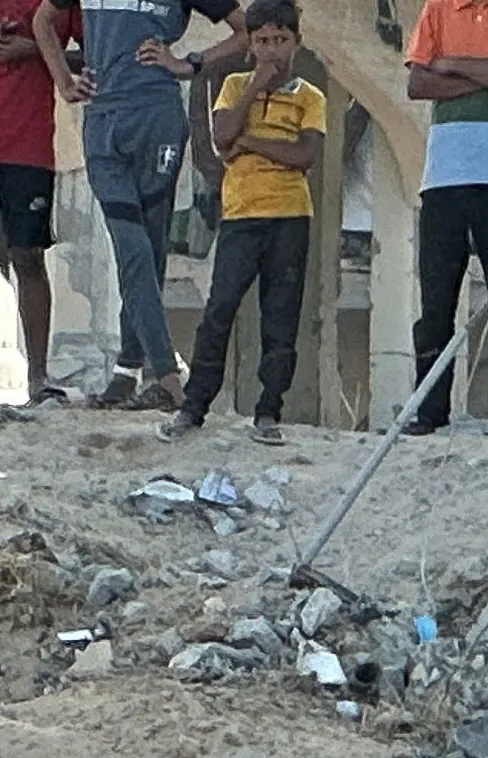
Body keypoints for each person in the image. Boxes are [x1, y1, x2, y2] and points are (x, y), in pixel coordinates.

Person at [74, 0, 239, 407]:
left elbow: (246, 29)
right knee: (132, 249)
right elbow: (45, 18)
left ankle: (129, 369)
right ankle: (167, 373)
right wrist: (65, 78)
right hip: (102, 119)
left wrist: (189, 63)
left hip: (157, 117)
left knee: (149, 248)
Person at [162, 0, 313, 440]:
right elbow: (221, 136)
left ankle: (269, 412)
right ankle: (194, 407)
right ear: (250, 45)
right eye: (262, 40)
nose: (271, 50)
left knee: (280, 316)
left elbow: (303, 155)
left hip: (290, 217)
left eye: (280, 41)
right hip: (242, 216)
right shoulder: (231, 87)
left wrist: (249, 141)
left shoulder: (309, 97)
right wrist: (254, 91)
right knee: (219, 309)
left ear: (295, 43)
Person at [402, 0, 488, 432]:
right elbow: (418, 83)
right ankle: (429, 410)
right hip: (443, 175)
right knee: (437, 302)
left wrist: (452, 64)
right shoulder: (437, 8)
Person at [0, 0, 79, 405]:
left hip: (27, 145)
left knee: (28, 257)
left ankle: (38, 378)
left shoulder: (57, 3)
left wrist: (36, 47)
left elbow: (99, 49)